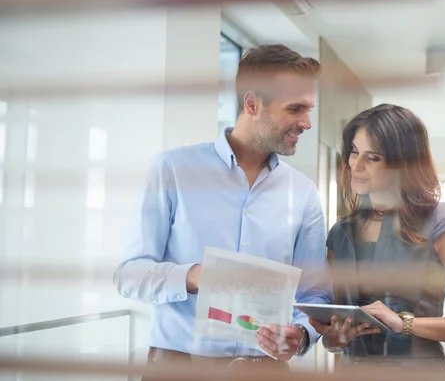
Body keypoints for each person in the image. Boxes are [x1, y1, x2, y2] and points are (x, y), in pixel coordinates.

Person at [113, 44, 333, 373]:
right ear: (252, 103)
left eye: (309, 109)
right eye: (295, 109)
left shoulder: (302, 192)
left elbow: (315, 295)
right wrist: (194, 275)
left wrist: (302, 333)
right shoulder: (173, 169)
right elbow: (128, 275)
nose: (306, 123)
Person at [308, 104, 445, 377]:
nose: (356, 166)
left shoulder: (438, 222)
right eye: (354, 152)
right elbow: (335, 338)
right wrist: (335, 339)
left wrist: (404, 324)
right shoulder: (340, 233)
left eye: (372, 157)